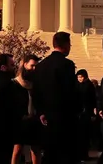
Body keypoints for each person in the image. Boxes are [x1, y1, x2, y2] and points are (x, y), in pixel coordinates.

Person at [32, 31, 78, 164]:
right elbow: (69, 91)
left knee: (49, 153)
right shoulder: (67, 65)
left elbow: (36, 92)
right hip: (64, 117)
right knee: (64, 154)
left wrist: (41, 112)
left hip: (45, 117)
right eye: (69, 44)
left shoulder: (40, 66)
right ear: (65, 45)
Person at [11, 55, 42, 164]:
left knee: (36, 148)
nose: (34, 69)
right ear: (25, 65)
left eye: (36, 66)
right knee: (18, 148)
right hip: (21, 120)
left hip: (34, 119)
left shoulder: (35, 83)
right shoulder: (15, 83)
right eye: (32, 66)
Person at [76, 69, 97, 162]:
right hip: (82, 113)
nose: (79, 79)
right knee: (82, 136)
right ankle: (82, 155)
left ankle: (84, 155)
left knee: (85, 135)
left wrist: (92, 113)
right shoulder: (80, 85)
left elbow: (92, 100)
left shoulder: (88, 86)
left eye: (80, 77)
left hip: (86, 113)